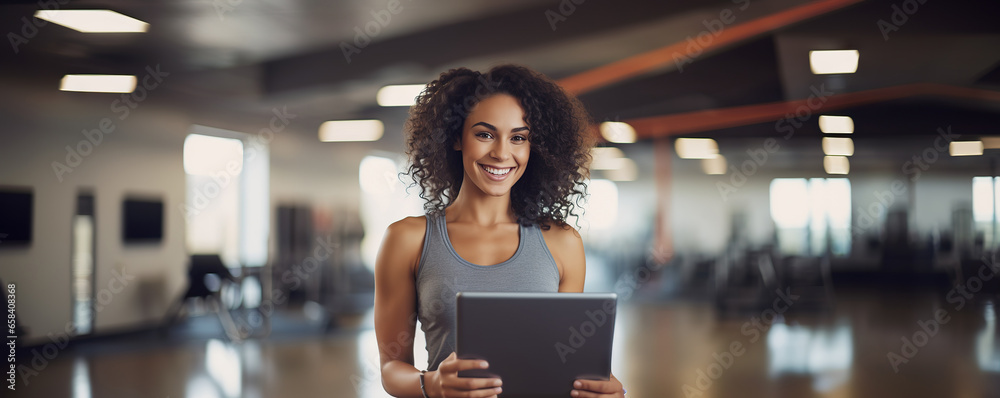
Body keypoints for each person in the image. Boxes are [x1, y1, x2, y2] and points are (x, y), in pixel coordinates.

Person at [375, 64, 624, 398]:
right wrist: (431, 384)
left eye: (518, 138)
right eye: (485, 134)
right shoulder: (407, 240)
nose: (502, 153)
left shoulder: (562, 242)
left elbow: (565, 360)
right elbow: (392, 370)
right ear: (455, 138)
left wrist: (602, 388)